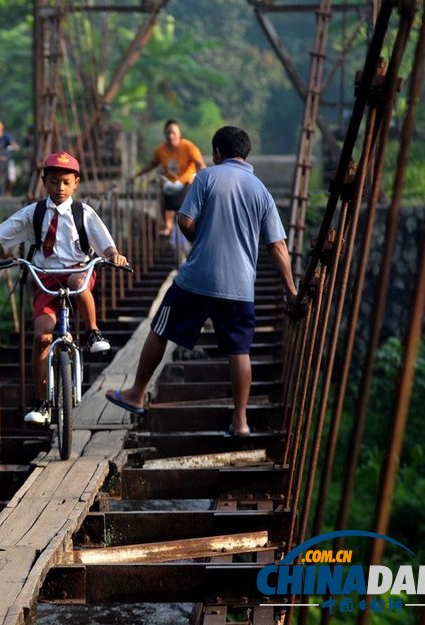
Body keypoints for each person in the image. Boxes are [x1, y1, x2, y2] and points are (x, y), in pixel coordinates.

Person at [106, 126, 297, 436]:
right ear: (245, 154)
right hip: (240, 287)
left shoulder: (207, 177)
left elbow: (184, 220)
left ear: (217, 153)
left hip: (197, 278)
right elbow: (277, 246)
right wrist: (291, 290)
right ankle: (241, 421)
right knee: (239, 350)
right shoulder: (261, 190)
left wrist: (200, 241)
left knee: (160, 327)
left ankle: (137, 394)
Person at [0, 152, 129, 424]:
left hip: (76, 271)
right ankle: (41, 402)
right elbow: (2, 234)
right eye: (53, 182)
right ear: (44, 182)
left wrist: (114, 255)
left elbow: (105, 243)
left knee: (78, 282)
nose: (59, 188)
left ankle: (92, 332)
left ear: (76, 183)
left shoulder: (83, 213)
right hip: (45, 278)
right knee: (42, 337)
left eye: (65, 182)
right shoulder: (34, 213)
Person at [131, 119, 206, 237]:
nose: (170, 136)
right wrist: (136, 175)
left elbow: (200, 164)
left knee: (187, 203)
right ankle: (168, 225)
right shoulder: (160, 150)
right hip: (169, 184)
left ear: (179, 134)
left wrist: (203, 178)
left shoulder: (188, 147)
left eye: (173, 133)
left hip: (186, 184)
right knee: (163, 192)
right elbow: (152, 164)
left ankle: (192, 225)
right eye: (168, 133)